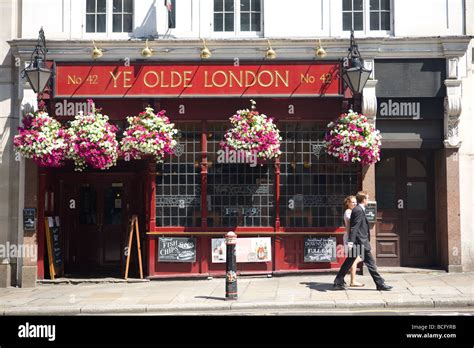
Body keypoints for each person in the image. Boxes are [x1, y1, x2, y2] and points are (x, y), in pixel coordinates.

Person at [333, 191, 392, 291]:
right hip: (360, 242)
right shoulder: (358, 210)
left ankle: (338, 281)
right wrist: (351, 241)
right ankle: (380, 284)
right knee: (371, 264)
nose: (368, 200)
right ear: (364, 199)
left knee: (349, 262)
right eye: (367, 198)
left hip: (359, 242)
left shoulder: (358, 209)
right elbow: (354, 227)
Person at [343, 196, 364, 287]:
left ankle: (343, 276)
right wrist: (350, 239)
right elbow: (349, 224)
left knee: (359, 257)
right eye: (352, 202)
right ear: (348, 203)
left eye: (355, 202)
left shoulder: (354, 211)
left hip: (354, 237)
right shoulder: (348, 211)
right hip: (350, 237)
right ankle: (353, 281)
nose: (354, 204)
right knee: (354, 259)